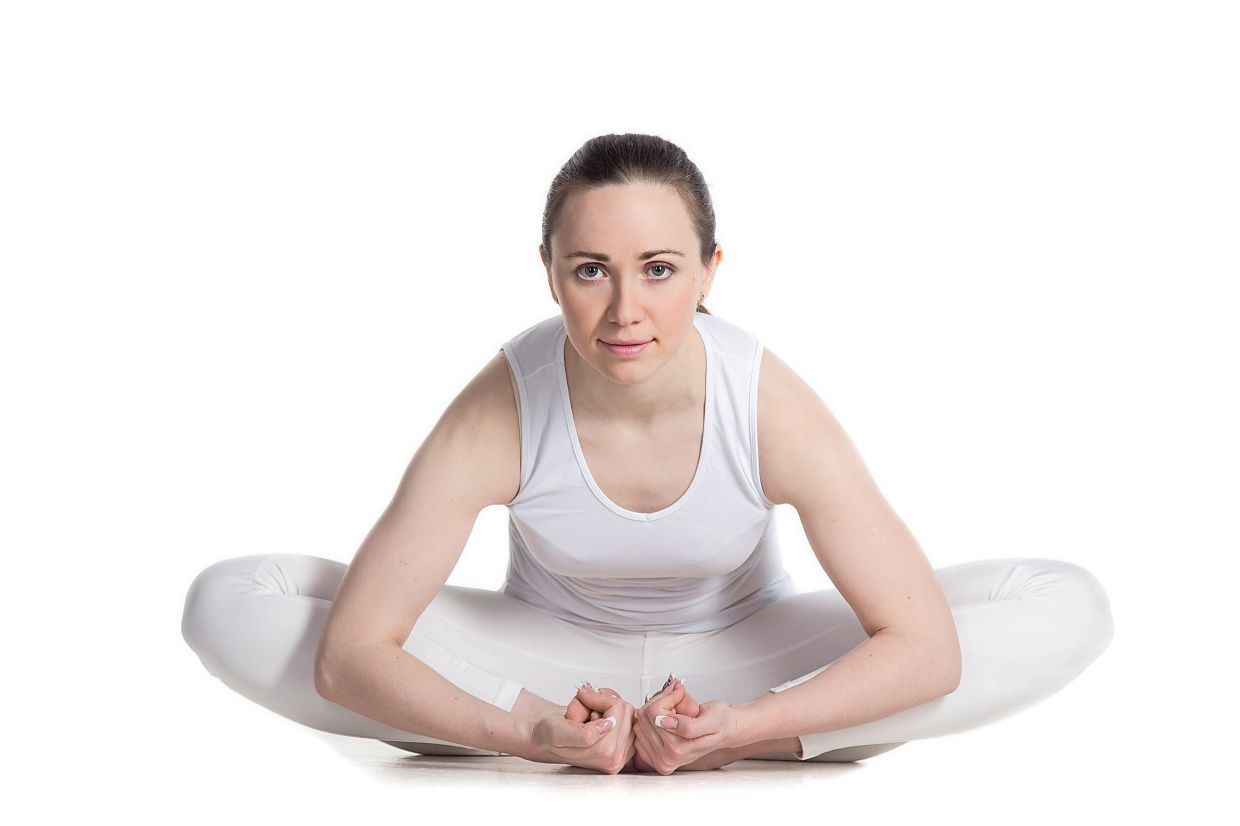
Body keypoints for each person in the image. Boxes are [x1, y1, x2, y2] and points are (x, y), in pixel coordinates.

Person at [181, 133, 1115, 775]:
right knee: (231, 599)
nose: (625, 311)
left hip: (745, 667)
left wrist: (748, 725)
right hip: (548, 675)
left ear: (710, 271)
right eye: (591, 270)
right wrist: (524, 726)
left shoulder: (769, 404)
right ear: (550, 273)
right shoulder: (500, 407)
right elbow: (351, 654)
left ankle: (736, 745)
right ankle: (578, 741)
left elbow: (927, 652)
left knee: (1065, 602)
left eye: (659, 270)